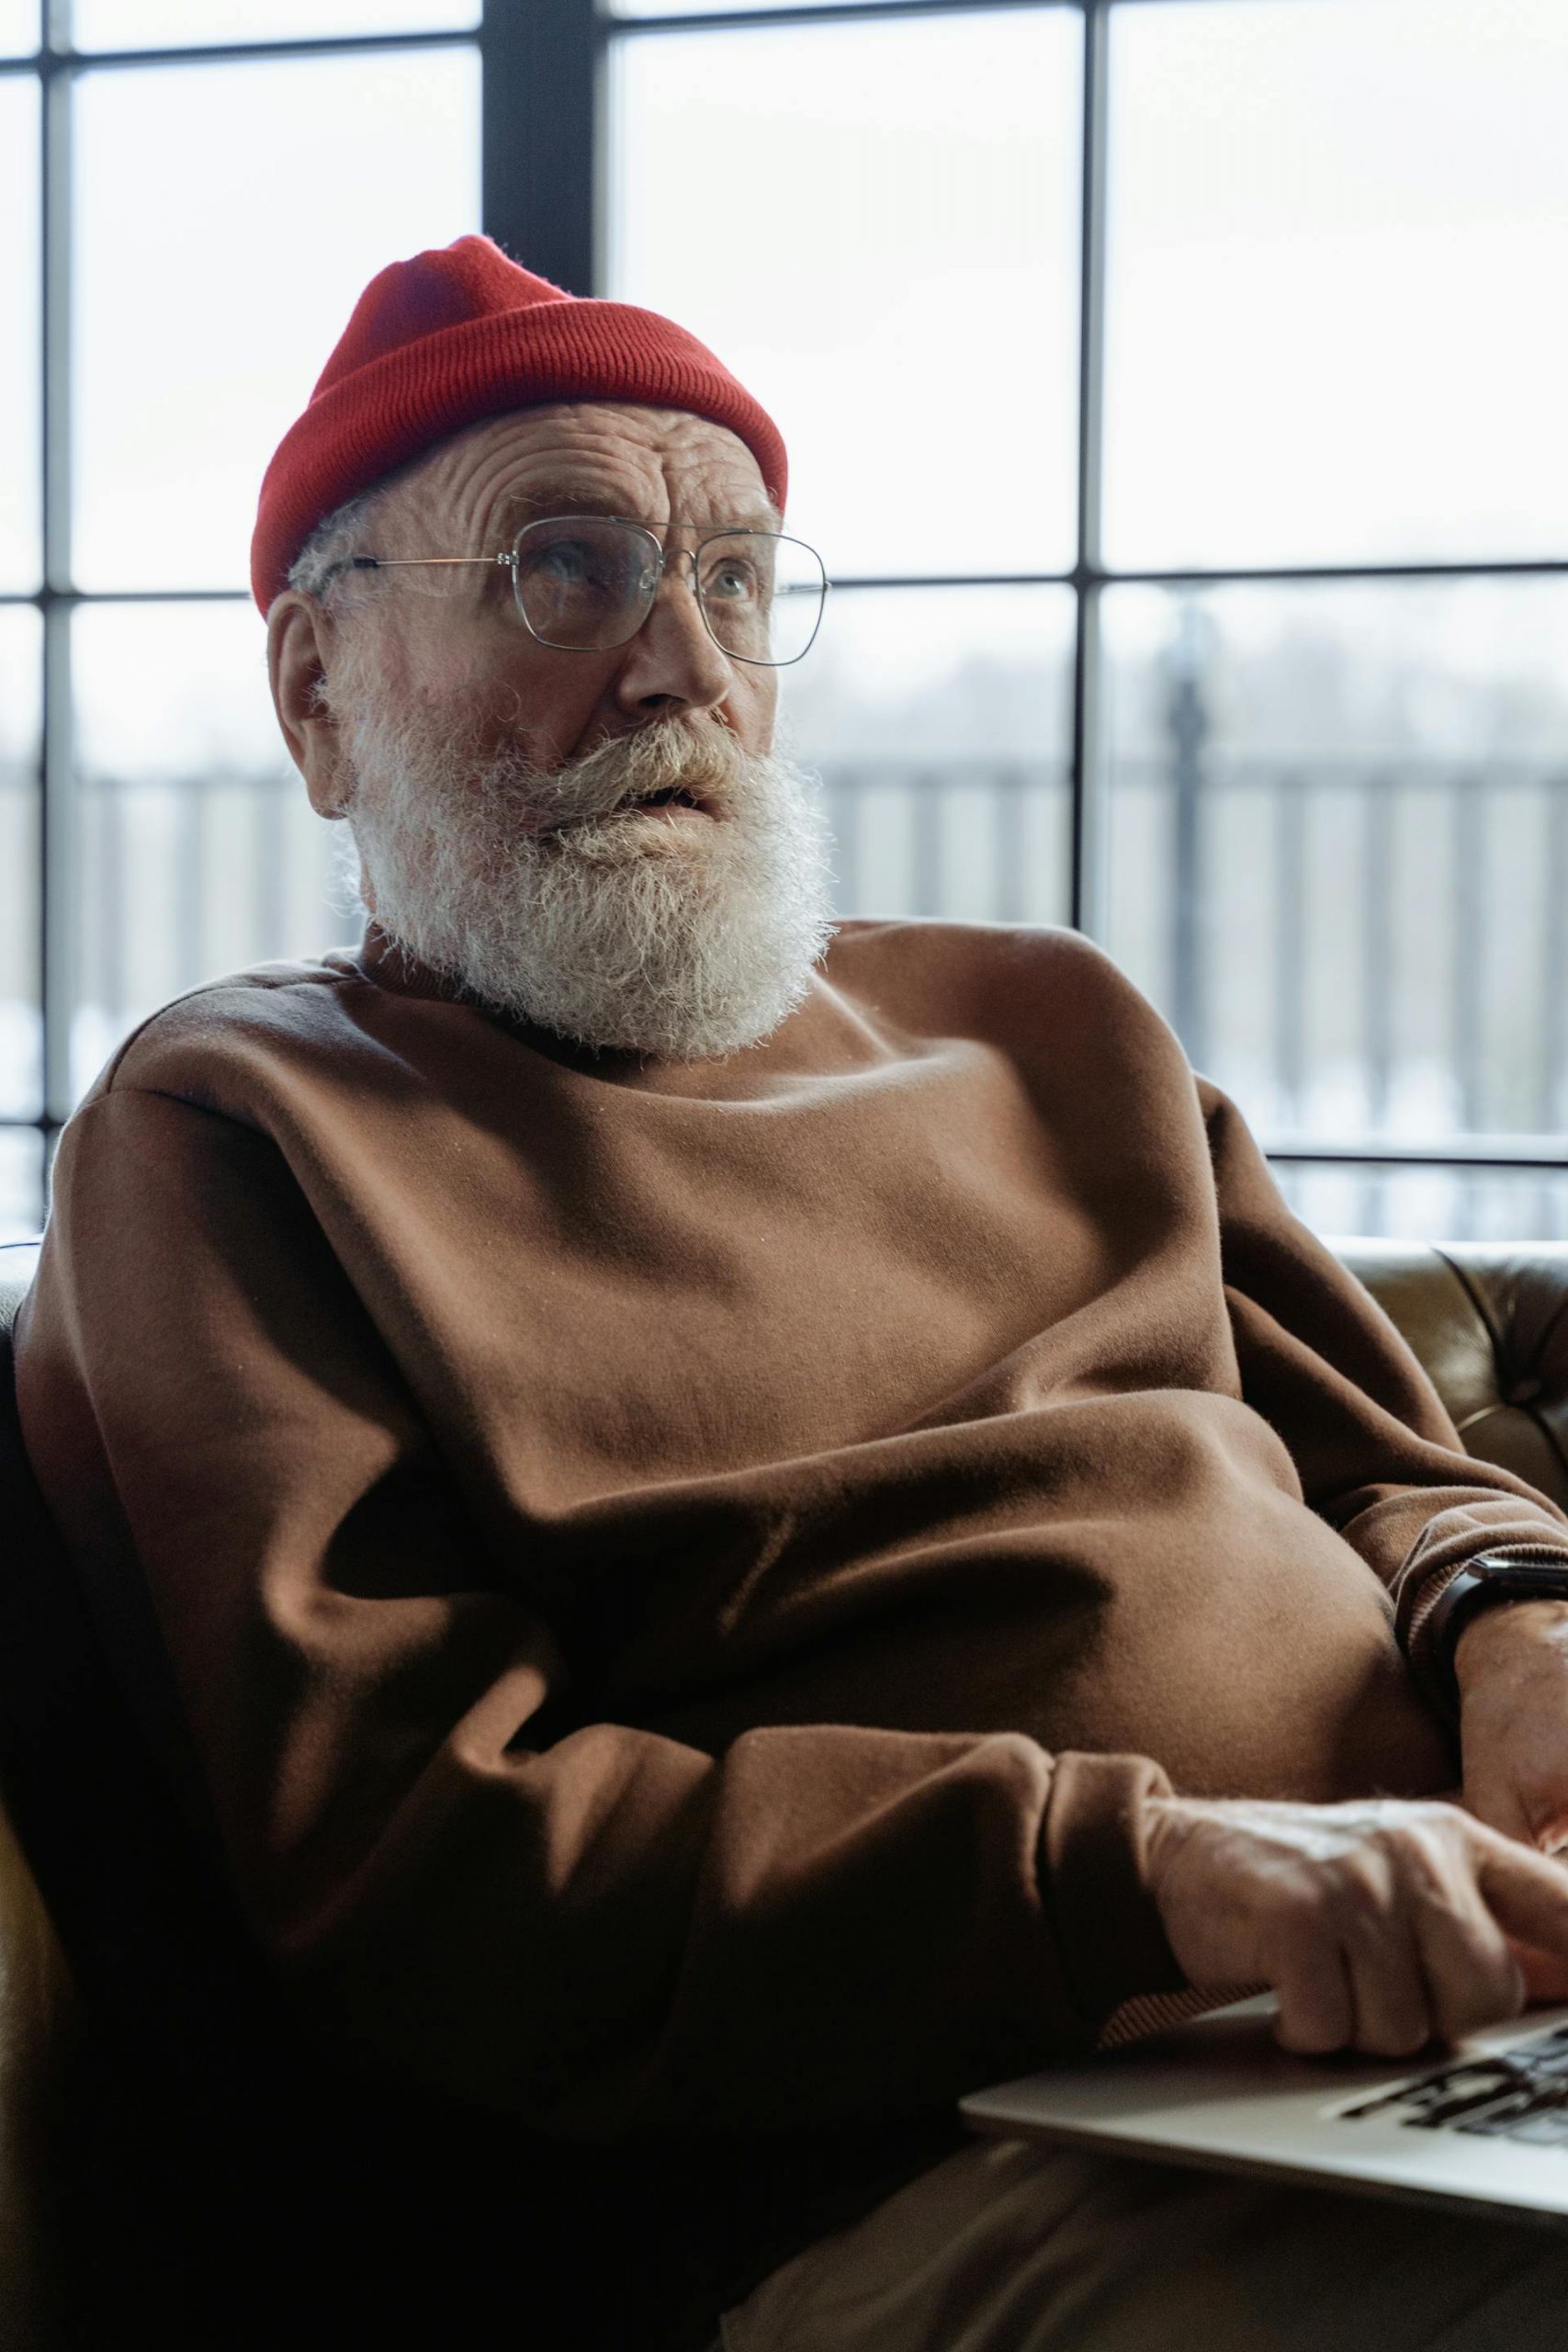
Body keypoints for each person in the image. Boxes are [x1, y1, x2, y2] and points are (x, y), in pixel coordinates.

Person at [16, 235, 1568, 2351]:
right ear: (316, 690)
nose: (681, 664)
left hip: (1450, 2026)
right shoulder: (239, 1129)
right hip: (921, 2171)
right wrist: (1144, 1873)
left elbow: (1396, 1471)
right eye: (565, 570)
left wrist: (1513, 1622)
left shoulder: (1046, 1021)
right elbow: (429, 1872)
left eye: (734, 580)